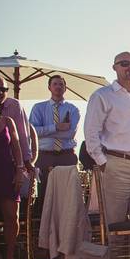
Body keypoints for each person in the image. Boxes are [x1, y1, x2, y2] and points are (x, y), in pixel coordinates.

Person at [84, 52, 130, 259]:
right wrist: (103, 163)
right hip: (115, 163)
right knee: (115, 219)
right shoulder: (102, 96)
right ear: (114, 67)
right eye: (124, 64)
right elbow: (90, 134)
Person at [0, 91, 25, 259]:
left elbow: (17, 148)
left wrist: (20, 170)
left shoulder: (7, 121)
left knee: (12, 216)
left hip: (6, 173)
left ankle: (10, 255)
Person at [29, 75, 80, 203]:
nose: (58, 87)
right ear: (49, 88)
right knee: (45, 194)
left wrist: (44, 131)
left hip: (66, 155)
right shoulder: (38, 108)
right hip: (45, 156)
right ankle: (44, 222)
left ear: (65, 88)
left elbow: (70, 134)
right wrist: (56, 127)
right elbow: (33, 131)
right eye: (55, 84)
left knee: (67, 195)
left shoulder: (73, 109)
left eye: (61, 84)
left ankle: (67, 223)